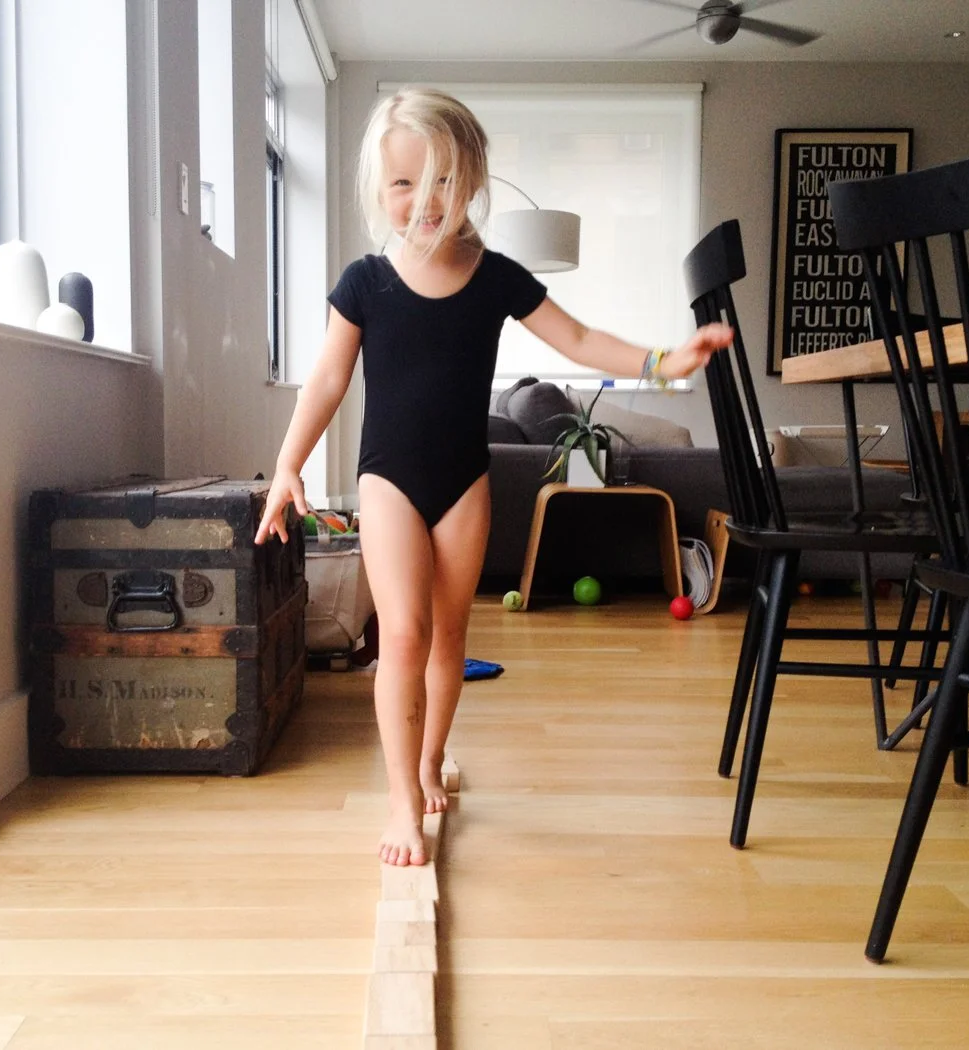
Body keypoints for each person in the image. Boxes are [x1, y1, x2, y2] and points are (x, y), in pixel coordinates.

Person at [255, 87, 733, 867]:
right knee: (401, 636)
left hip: (462, 485)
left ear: (471, 178)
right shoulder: (364, 283)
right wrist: (287, 464)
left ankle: (426, 758)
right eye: (404, 183)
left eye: (442, 179)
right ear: (380, 194)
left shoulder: (495, 275)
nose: (424, 200)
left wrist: (661, 361)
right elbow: (326, 380)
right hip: (388, 483)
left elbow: (576, 338)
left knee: (449, 636)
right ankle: (402, 803)